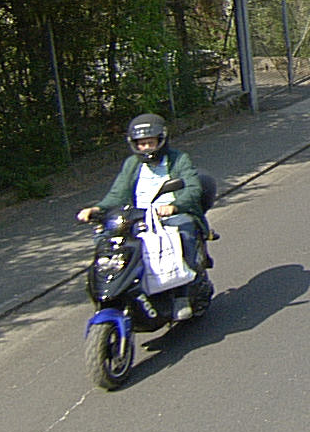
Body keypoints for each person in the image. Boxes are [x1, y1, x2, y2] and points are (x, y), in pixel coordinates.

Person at [77, 113, 211, 313]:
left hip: (172, 215)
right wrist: (97, 209)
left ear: (161, 140)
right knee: (107, 240)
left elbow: (193, 188)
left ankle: (182, 293)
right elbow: (118, 194)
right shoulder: (132, 164)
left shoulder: (179, 159)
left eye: (150, 142)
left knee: (183, 235)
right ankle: (121, 288)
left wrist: (175, 206)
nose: (146, 147)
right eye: (141, 144)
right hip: (138, 217)